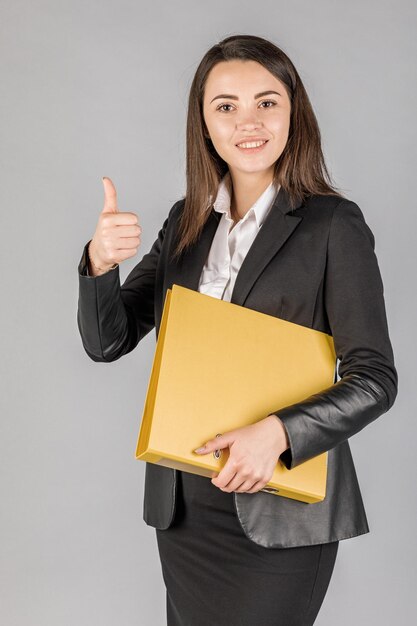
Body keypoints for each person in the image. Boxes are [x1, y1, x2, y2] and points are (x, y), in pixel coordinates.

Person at [76, 34, 398, 626]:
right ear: (203, 122)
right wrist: (99, 264)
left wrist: (277, 433)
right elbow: (108, 340)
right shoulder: (187, 222)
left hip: (278, 507)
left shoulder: (333, 225)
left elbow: (374, 380)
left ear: (293, 112)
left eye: (266, 102)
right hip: (185, 506)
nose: (247, 122)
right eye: (225, 106)